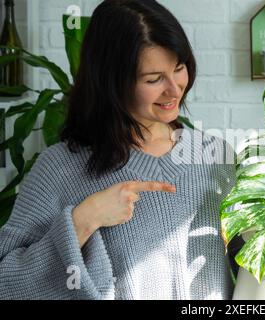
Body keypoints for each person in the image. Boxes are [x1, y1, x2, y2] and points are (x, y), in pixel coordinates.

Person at [0, 0, 238, 300]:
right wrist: (83, 220)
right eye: (153, 79)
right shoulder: (59, 169)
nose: (175, 89)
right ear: (112, 82)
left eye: (179, 68)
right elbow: (5, 283)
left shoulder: (215, 155)